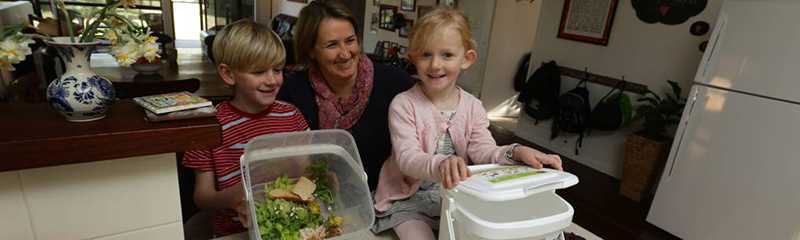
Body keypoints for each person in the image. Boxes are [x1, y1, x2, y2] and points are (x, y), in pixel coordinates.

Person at [372, 8, 564, 239]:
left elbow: (484, 151)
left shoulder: (473, 106)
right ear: (413, 58)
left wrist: (517, 151)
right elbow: (407, 158)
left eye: (447, 55)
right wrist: (441, 164)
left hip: (457, 195)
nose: (435, 65)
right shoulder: (403, 104)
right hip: (407, 198)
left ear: (467, 59)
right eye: (425, 55)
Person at [182, 19, 309, 238]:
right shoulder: (209, 126)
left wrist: (314, 171)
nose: (272, 80)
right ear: (229, 74)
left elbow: (308, 172)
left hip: (293, 228)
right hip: (234, 233)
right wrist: (230, 197)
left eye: (278, 70)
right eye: (259, 72)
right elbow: (201, 197)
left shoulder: (292, 116)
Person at [278, 0, 414, 190]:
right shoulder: (292, 90)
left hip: (386, 198)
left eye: (350, 41)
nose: (345, 53)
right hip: (315, 199)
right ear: (311, 51)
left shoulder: (397, 83)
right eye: (332, 45)